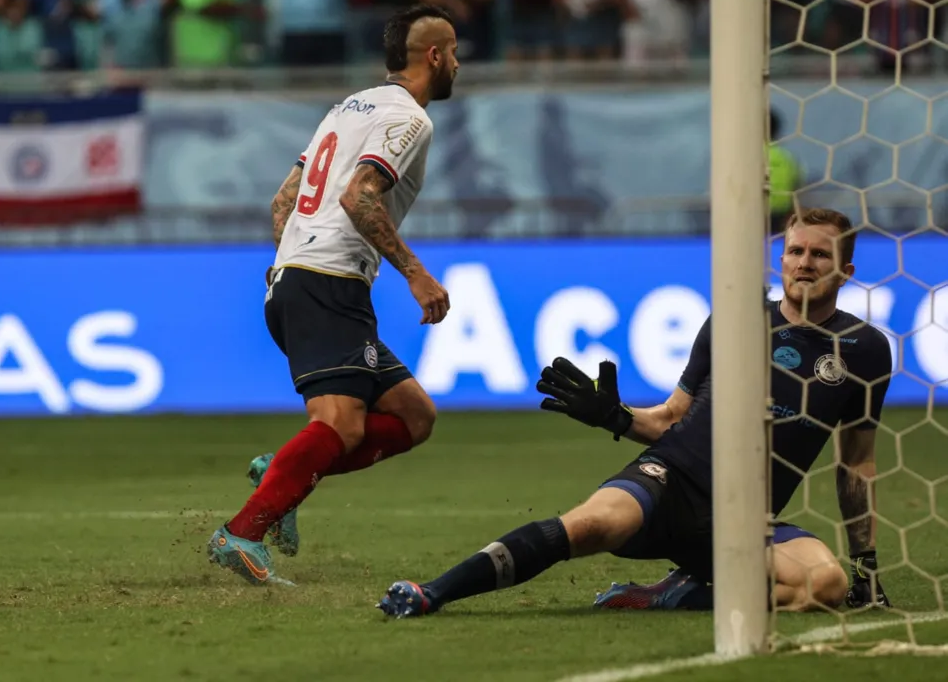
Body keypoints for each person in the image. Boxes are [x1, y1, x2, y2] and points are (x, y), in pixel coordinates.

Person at [378, 207, 893, 616]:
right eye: (795, 251)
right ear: (780, 259)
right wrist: (614, 416)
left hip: (747, 519)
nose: (804, 263)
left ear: (845, 271)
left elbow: (856, 463)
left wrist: (865, 564)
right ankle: (431, 593)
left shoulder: (864, 350)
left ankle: (681, 595)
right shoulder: (736, 320)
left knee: (826, 585)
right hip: (670, 479)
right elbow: (672, 418)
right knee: (589, 525)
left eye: (820, 256)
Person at [205, 4, 459, 586]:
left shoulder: (347, 109)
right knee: (342, 427)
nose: (459, 66)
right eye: (456, 54)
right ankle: (243, 531)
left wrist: (290, 264)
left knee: (414, 415)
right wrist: (416, 274)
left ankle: (285, 477)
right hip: (329, 283)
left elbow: (282, 202)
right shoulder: (410, 121)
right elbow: (360, 197)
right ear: (436, 56)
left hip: (298, 278)